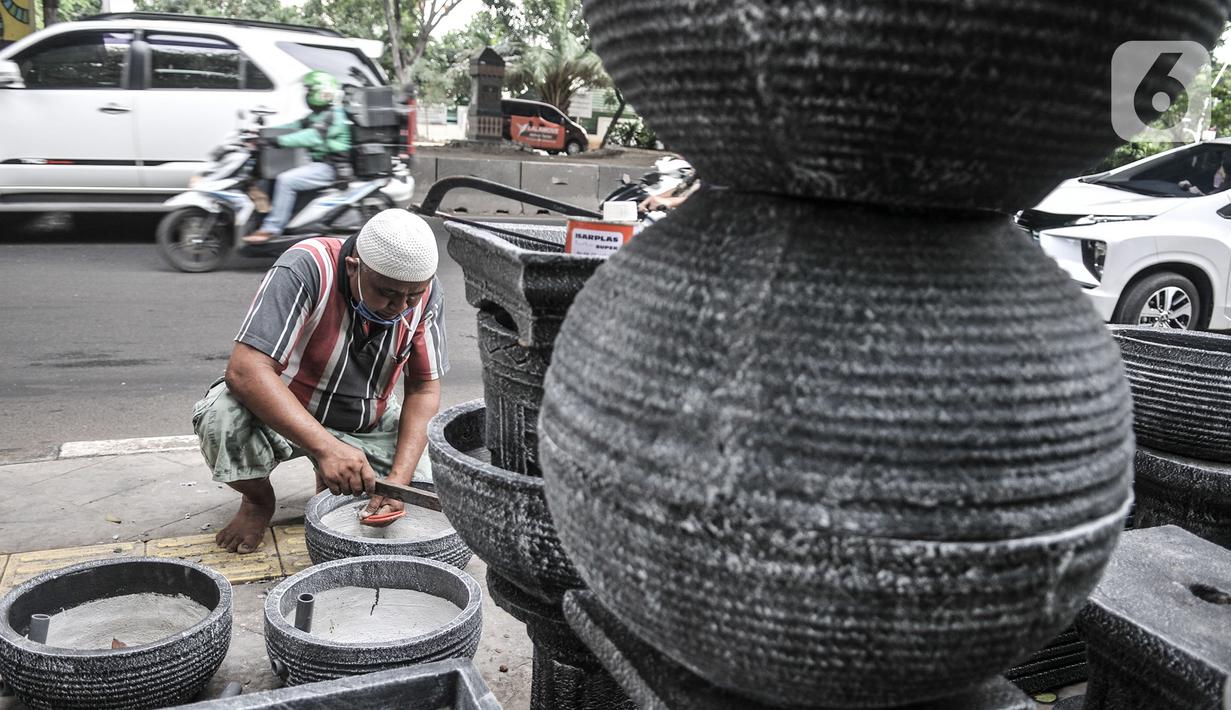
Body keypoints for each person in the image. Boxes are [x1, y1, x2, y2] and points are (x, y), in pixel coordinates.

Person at [194, 209, 448, 553]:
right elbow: (245, 370)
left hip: (365, 422)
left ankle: (333, 481)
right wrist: (326, 448)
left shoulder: (426, 291)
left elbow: (423, 388)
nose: (400, 307)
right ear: (353, 267)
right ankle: (257, 501)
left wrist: (398, 482)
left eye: (412, 296)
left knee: (424, 488)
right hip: (284, 412)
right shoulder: (307, 266)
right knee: (220, 420)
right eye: (388, 293)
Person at [244, 70, 352, 244]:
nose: (307, 95)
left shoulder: (334, 116)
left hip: (332, 167)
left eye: (310, 91)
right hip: (319, 163)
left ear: (321, 92)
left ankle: (271, 228)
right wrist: (262, 134)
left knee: (286, 180)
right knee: (267, 177)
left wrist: (277, 141)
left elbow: (312, 136)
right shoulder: (319, 115)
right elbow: (294, 126)